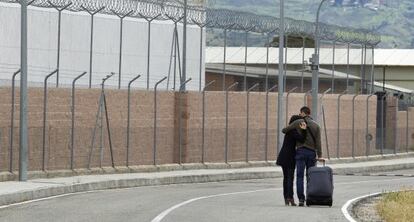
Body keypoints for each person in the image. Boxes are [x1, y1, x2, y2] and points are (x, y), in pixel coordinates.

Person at [282, 106, 322, 207]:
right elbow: (318, 143)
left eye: (300, 114)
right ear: (309, 113)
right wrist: (320, 155)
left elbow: (284, 130)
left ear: (303, 113)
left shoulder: (297, 122)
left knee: (299, 176)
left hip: (300, 152)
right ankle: (310, 197)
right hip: (312, 153)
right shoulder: (316, 126)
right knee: (310, 177)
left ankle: (301, 199)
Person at [276, 115, 307, 206]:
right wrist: (304, 130)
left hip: (283, 156)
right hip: (289, 157)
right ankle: (290, 198)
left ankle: (286, 198)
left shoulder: (288, 131)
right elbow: (302, 140)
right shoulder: (293, 132)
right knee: (290, 178)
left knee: (286, 178)